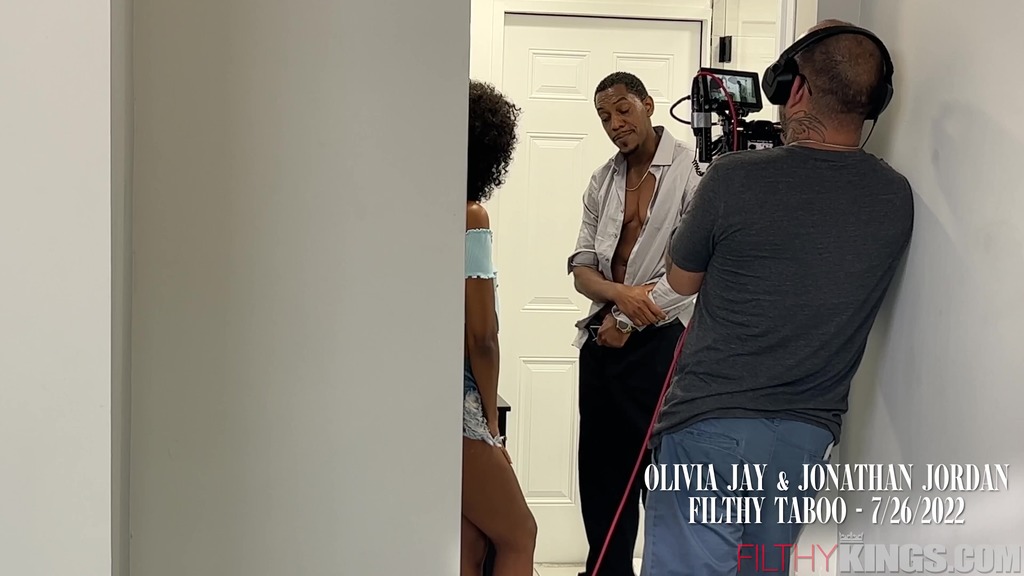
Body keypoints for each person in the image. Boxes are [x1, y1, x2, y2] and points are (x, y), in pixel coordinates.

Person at [641, 21, 914, 575]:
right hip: (804, 442)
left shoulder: (733, 178)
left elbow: (681, 279)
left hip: (710, 425)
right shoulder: (895, 196)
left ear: (796, 88)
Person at [567, 72, 702, 576]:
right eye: (604, 117)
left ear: (648, 104)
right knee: (601, 480)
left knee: (660, 478)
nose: (615, 124)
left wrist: (627, 317)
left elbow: (690, 274)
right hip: (602, 340)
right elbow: (582, 270)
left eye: (623, 110)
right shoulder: (602, 180)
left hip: (661, 343)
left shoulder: (692, 171)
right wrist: (620, 298)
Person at [461, 79, 537, 576]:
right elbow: (482, 336)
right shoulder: (471, 217)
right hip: (460, 404)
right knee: (519, 535)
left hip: (412, 400)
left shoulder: (410, 214)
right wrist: (491, 424)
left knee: (469, 543)